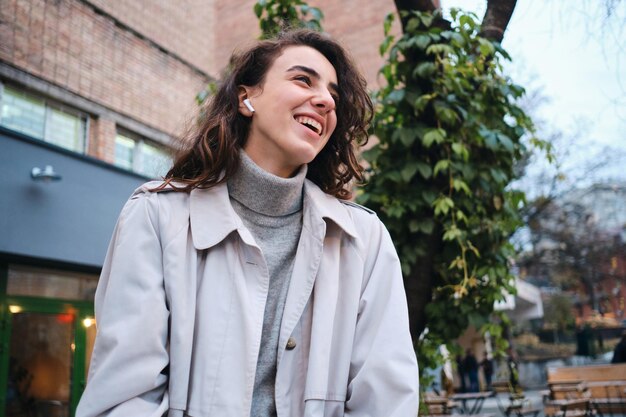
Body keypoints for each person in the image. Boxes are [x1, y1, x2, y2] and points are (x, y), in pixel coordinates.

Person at [76, 29, 419, 417]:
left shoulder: (365, 239)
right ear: (246, 97)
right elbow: (125, 399)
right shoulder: (157, 216)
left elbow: (386, 401)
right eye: (303, 79)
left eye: (334, 96)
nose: (324, 100)